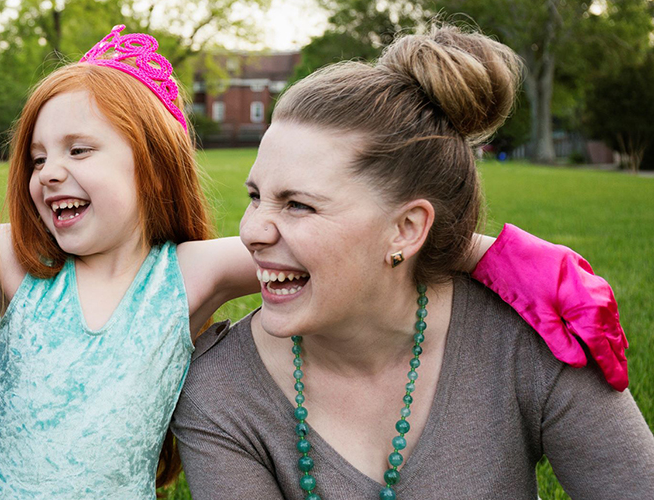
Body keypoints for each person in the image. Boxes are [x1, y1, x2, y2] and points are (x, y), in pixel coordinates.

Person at [0, 24, 629, 498]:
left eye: (79, 150)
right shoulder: (13, 259)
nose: (47, 172)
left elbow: (377, 241)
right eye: (35, 157)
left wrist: (530, 269)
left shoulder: (187, 273)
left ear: (151, 165)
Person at [171, 25, 654, 499]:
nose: (251, 231)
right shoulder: (221, 391)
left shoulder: (533, 338)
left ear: (406, 229)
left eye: (298, 204)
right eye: (256, 196)